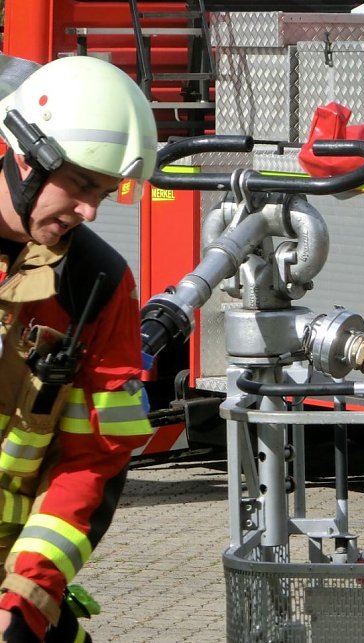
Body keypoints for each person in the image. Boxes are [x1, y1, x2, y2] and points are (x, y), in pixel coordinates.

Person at [0, 54, 157, 642]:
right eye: (84, 184)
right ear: (25, 155)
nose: (91, 211)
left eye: (105, 192)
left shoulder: (96, 282)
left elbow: (92, 457)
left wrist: (26, 598)